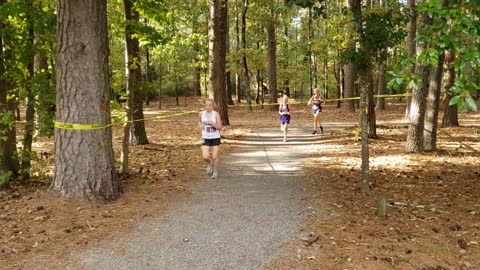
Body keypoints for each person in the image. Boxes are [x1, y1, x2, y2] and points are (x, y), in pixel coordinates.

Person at [198, 98, 223, 179]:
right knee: (205, 156)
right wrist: (200, 126)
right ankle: (209, 163)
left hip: (215, 137)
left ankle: (215, 172)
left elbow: (220, 127)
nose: (208, 107)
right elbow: (199, 122)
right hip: (205, 137)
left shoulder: (216, 114)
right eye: (206, 105)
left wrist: (213, 124)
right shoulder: (201, 114)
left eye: (210, 105)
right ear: (205, 105)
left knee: (215, 156)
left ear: (213, 106)